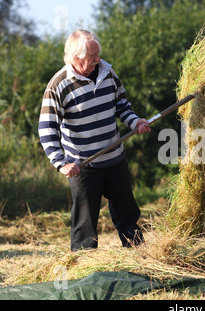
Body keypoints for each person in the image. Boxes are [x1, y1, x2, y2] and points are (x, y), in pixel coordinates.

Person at [38, 30, 151, 251]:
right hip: (83, 166)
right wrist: (60, 163)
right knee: (84, 226)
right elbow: (46, 128)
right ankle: (83, 270)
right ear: (75, 57)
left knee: (127, 214)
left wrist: (135, 122)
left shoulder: (107, 72)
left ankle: (141, 257)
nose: (97, 60)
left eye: (97, 54)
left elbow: (121, 106)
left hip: (115, 159)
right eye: (92, 56)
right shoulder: (58, 85)